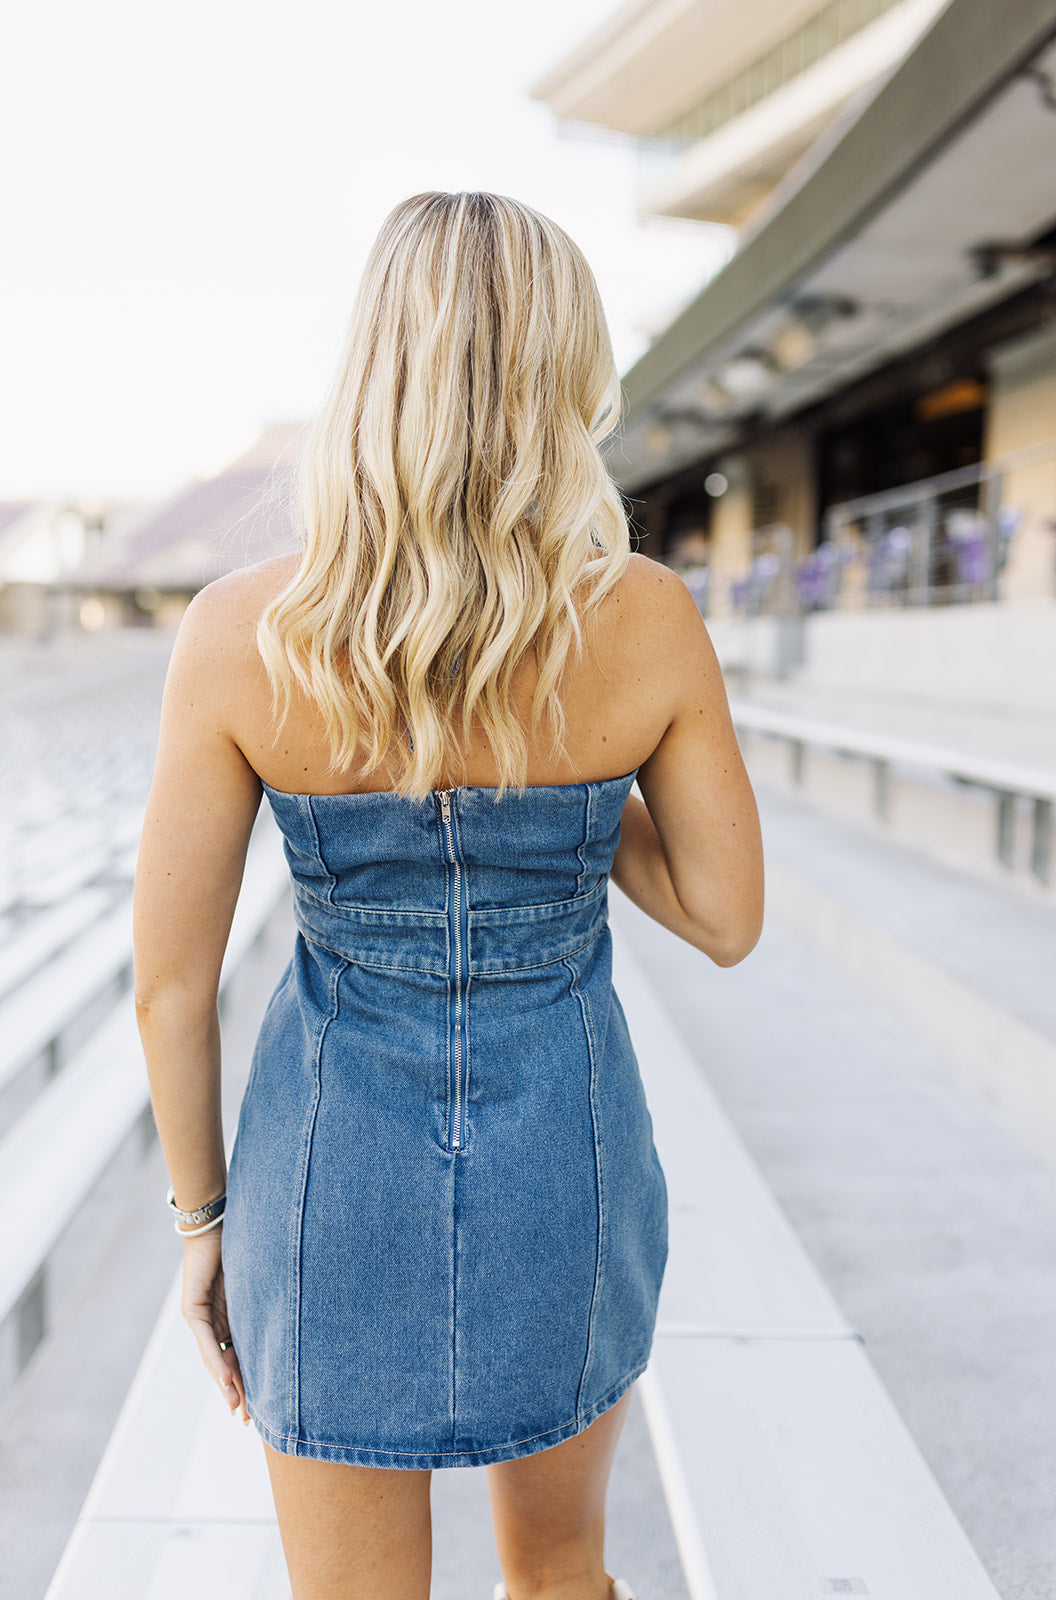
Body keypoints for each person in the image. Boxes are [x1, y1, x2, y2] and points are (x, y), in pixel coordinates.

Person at [133, 190, 764, 1600]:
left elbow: (169, 989)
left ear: (374, 367)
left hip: (327, 1171)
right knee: (561, 1580)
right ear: (567, 375)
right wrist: (567, 803)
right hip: (569, 1158)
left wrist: (201, 1229)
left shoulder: (242, 634)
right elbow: (727, 918)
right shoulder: (645, 616)